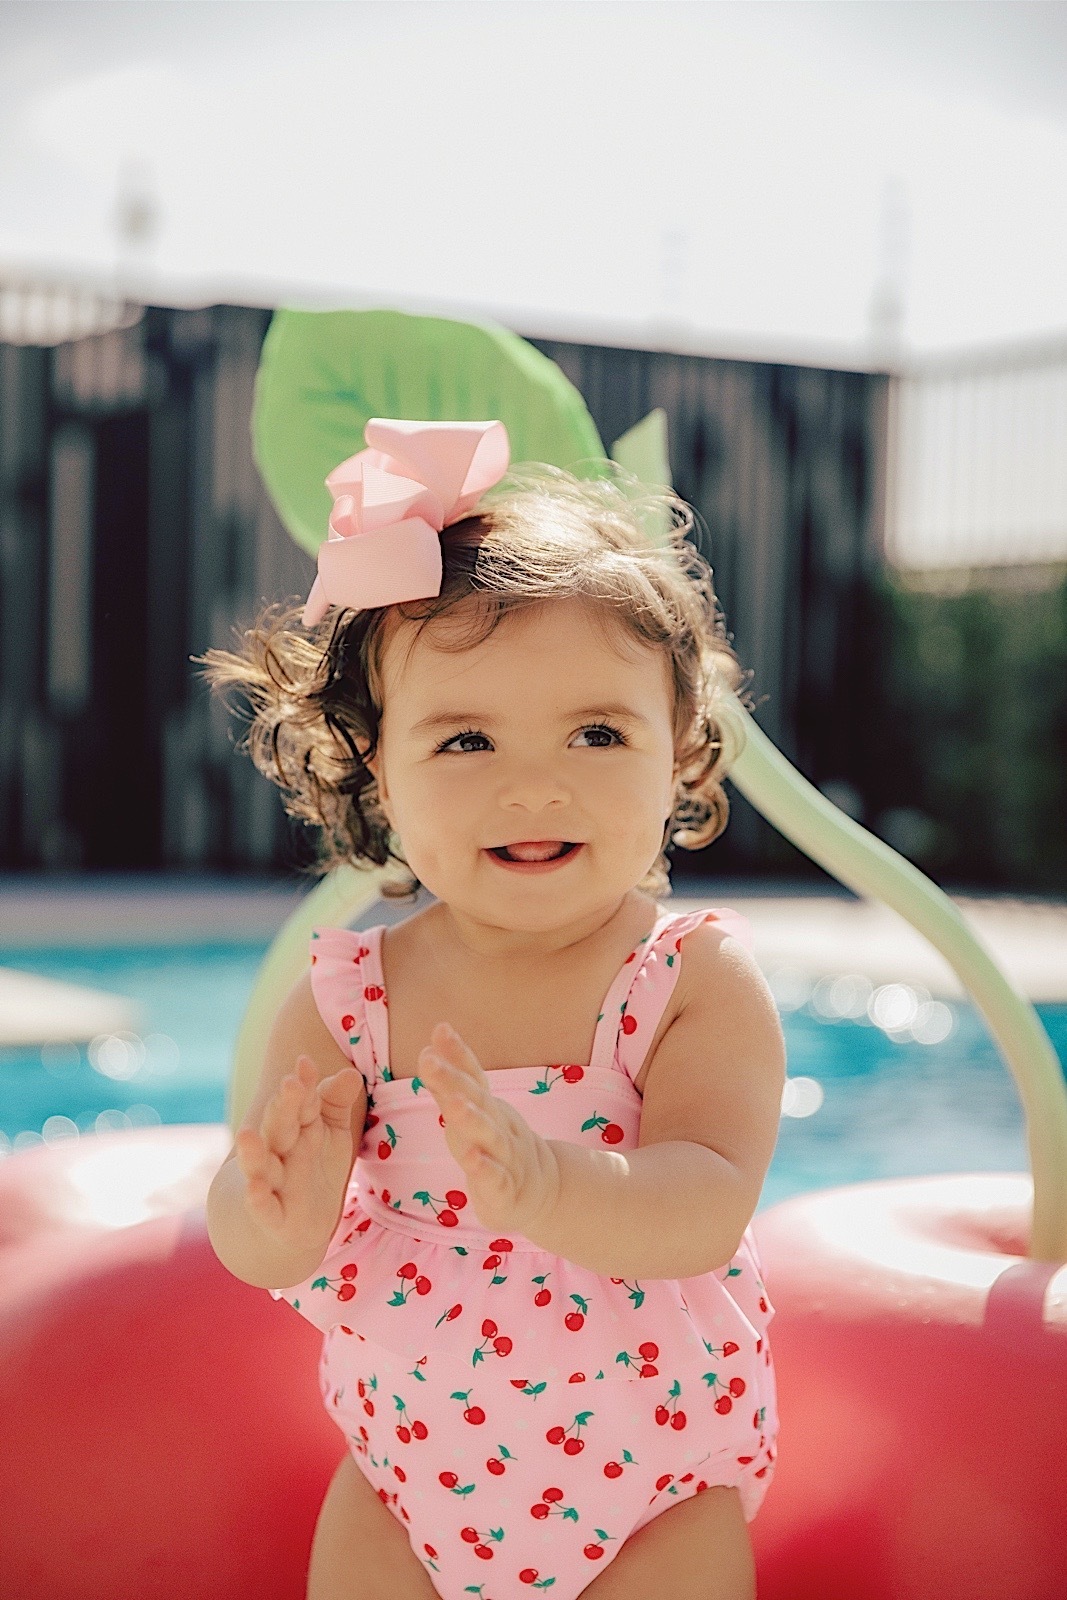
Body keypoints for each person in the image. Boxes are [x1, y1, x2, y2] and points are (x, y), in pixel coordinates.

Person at [204, 418, 785, 1600]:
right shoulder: (351, 997)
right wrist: (277, 1209)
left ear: (677, 750)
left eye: (596, 731)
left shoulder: (686, 983)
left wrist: (550, 1189)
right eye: (464, 736)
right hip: (404, 1479)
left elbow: (707, 1204)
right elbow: (257, 1234)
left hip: (653, 1487)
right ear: (378, 769)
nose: (534, 781)